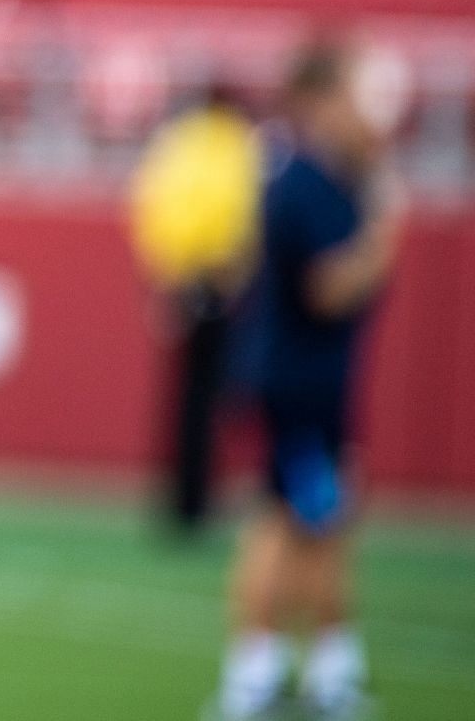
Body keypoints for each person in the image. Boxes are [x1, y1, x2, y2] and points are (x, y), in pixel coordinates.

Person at [216, 43, 403, 721]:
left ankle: (312, 664)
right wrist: (384, 237)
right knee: (295, 521)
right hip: (299, 382)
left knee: (315, 519)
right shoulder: (305, 180)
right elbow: (328, 286)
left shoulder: (325, 176)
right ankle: (262, 669)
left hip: (308, 379)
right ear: (322, 99)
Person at [127, 85, 263, 535]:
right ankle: (203, 497)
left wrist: (166, 275)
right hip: (222, 279)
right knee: (215, 394)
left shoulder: (176, 143)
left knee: (187, 395)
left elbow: (150, 208)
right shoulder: (238, 147)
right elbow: (247, 215)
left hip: (183, 277)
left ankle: (183, 497)